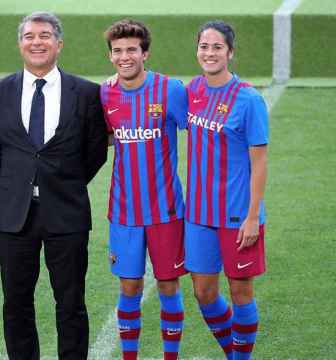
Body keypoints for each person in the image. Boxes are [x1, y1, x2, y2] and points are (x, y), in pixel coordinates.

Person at [0, 11, 108, 360]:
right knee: (16, 304)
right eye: (30, 36)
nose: (37, 42)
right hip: (14, 216)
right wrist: (18, 182)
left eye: (45, 35)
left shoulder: (86, 93)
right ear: (20, 43)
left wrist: (62, 183)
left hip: (66, 214)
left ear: (59, 43)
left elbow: (95, 151)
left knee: (70, 304)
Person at [100, 19, 188, 360]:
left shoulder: (170, 90)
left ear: (145, 53)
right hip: (124, 212)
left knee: (168, 285)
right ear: (110, 56)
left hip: (165, 210)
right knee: (129, 286)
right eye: (118, 51)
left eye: (131, 50)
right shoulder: (105, 93)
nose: (125, 57)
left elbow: (196, 128)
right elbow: (107, 136)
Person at [185, 20, 268, 360]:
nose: (210, 53)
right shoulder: (192, 90)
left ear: (230, 52)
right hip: (199, 215)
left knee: (240, 291)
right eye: (204, 46)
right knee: (204, 292)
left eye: (217, 47)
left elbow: (260, 163)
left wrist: (252, 217)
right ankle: (234, 354)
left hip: (238, 215)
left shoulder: (249, 99)